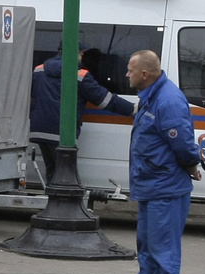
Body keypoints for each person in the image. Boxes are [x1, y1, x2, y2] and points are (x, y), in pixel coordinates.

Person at [107, 50, 202, 274]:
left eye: (130, 70)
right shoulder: (152, 97)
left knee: (164, 250)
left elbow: (183, 145)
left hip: (166, 189)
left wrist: (191, 164)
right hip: (152, 186)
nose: (126, 74)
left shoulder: (167, 100)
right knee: (147, 248)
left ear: (144, 74)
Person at [30, 47, 135, 182]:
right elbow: (105, 100)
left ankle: (52, 199)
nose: (82, 56)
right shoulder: (79, 75)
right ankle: (66, 202)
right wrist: (132, 109)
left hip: (39, 129)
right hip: (62, 131)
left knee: (53, 172)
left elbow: (33, 93)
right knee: (68, 177)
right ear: (76, 53)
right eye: (81, 53)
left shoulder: (39, 69)